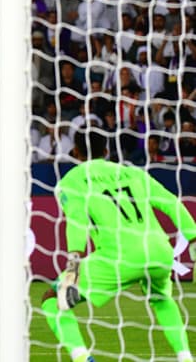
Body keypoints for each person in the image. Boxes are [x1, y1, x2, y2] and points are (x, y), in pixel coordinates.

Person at [44, 130, 196, 362]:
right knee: (162, 299)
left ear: (75, 152)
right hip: (159, 251)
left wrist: (73, 265)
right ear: (106, 151)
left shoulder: (72, 180)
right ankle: (186, 357)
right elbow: (171, 203)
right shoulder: (132, 172)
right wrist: (193, 240)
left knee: (51, 298)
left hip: (119, 256)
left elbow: (77, 221)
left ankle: (82, 358)